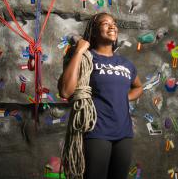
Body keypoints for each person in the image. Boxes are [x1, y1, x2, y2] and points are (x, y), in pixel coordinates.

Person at [58, 12, 143, 179]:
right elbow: (65, 91)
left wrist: (120, 97)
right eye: (105, 23)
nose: (112, 26)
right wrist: (79, 51)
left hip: (124, 133)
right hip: (96, 131)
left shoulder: (126, 63)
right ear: (94, 31)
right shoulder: (87, 59)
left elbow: (139, 87)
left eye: (114, 23)